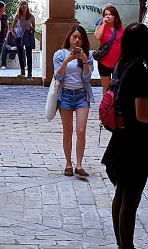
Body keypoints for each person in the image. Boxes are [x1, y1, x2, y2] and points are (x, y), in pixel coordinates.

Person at [102, 23, 148, 249]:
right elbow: (142, 114)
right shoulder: (140, 73)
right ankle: (128, 247)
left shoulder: (120, 66)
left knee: (121, 193)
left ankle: (121, 244)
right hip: (135, 143)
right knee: (131, 199)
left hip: (120, 138)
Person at [52, 25, 94, 180]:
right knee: (67, 131)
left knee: (81, 130)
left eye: (80, 38)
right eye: (74, 37)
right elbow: (59, 76)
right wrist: (67, 61)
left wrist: (84, 62)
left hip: (82, 95)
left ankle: (79, 165)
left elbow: (87, 79)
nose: (77, 40)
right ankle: (68, 164)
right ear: (69, 37)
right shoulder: (60, 54)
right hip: (66, 96)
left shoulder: (87, 55)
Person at [93, 5, 123, 88]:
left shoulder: (119, 28)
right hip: (104, 61)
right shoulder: (101, 27)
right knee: (106, 86)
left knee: (116, 85)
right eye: (106, 15)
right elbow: (97, 37)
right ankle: (106, 101)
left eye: (110, 14)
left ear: (115, 16)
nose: (108, 16)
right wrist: (103, 24)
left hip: (117, 61)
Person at [12, 0, 36, 79]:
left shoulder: (31, 16)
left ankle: (29, 72)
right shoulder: (17, 16)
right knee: (20, 54)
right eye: (22, 6)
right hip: (19, 36)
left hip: (27, 37)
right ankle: (22, 71)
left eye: (25, 6)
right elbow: (13, 27)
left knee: (28, 54)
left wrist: (30, 28)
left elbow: (34, 27)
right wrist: (15, 34)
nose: (23, 8)